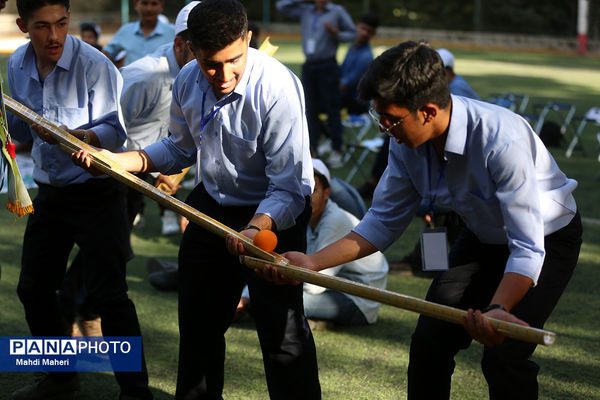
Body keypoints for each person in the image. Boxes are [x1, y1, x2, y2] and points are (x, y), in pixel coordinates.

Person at [269, 41, 582, 399]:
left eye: (390, 118)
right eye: (378, 117)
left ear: (428, 111)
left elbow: (527, 247)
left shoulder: (501, 140)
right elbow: (382, 222)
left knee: (504, 355)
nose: (384, 128)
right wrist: (311, 262)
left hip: (546, 240)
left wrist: (499, 308)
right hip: (481, 236)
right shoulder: (404, 143)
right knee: (430, 341)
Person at [73, 1, 321, 399]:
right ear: (189, 48)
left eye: (233, 61)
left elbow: (290, 187)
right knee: (199, 326)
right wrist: (124, 161)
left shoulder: (278, 88)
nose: (223, 76)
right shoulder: (189, 79)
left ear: (247, 39)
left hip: (275, 213)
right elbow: (180, 147)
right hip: (213, 206)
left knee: (283, 335)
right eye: (210, 64)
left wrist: (256, 228)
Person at [7, 0, 153, 399]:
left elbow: (114, 132)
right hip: (50, 196)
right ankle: (60, 376)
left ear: (68, 19)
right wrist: (16, 123)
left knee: (111, 295)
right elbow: (19, 132)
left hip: (98, 194)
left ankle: (135, 392)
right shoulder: (17, 64)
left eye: (60, 24)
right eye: (41, 26)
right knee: (33, 289)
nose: (53, 36)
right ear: (23, 25)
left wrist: (78, 137)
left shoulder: (95, 64)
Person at [120, 1, 198, 235]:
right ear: (179, 44)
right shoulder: (144, 77)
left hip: (137, 171)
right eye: (198, 49)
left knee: (111, 256)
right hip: (109, 175)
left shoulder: (193, 71)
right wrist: (158, 169)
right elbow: (108, 131)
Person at [276, 0, 356, 167]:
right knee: (310, 109)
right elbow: (281, 6)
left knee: (332, 108)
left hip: (327, 65)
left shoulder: (337, 10)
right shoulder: (306, 10)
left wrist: (337, 34)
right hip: (309, 66)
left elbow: (352, 34)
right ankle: (312, 150)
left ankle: (336, 149)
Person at [102, 0, 174, 66]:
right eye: (144, 3)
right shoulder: (126, 31)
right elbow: (106, 53)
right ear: (136, 5)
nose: (149, 9)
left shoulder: (172, 32)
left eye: (154, 4)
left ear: (161, 6)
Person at [339, 14, 379, 115]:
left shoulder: (366, 56)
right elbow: (341, 70)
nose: (364, 33)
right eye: (363, 28)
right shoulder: (352, 48)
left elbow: (346, 85)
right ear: (357, 27)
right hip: (346, 95)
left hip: (355, 101)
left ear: (373, 34)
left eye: (369, 31)